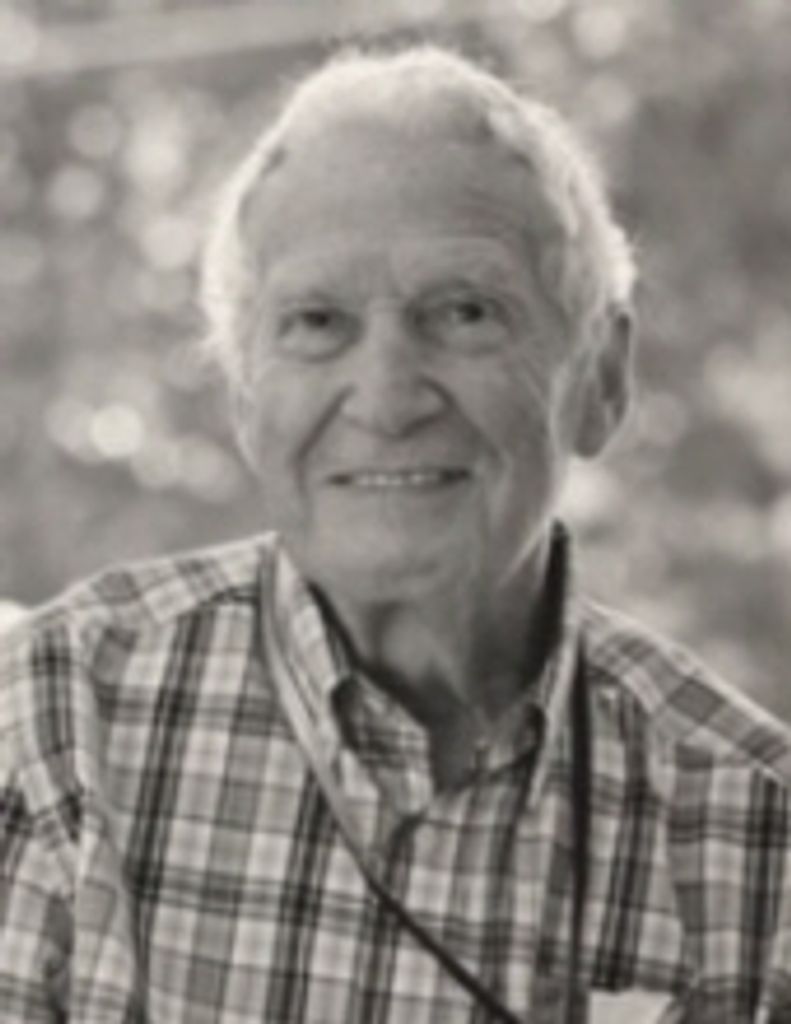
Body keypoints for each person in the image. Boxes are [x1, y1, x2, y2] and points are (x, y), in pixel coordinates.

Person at [1, 45, 790, 1024]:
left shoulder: (756, 838)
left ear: (601, 376)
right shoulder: (53, 719)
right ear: (244, 394)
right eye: (316, 322)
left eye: (464, 312)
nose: (385, 398)